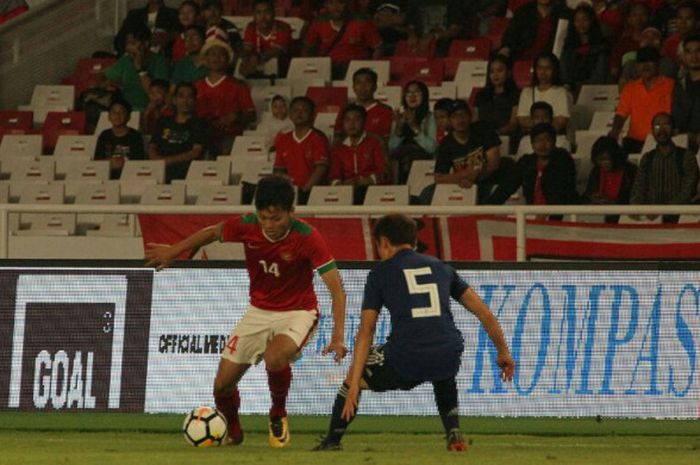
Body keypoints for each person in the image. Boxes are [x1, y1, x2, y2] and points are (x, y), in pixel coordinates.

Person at [144, 174, 348, 448]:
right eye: (264, 217)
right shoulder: (246, 226)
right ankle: (235, 432)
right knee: (221, 386)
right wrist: (173, 252)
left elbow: (337, 289)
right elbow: (211, 233)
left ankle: (277, 413)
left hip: (299, 311)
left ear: (291, 212)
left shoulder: (307, 237)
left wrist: (338, 336)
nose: (269, 225)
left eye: (276, 218)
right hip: (258, 311)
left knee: (275, 357)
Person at [312, 213, 515, 452]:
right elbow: (485, 314)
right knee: (441, 357)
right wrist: (503, 352)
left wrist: (354, 382)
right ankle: (453, 430)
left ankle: (332, 441)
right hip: (448, 354)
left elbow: (366, 330)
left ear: (384, 243)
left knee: (359, 369)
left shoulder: (379, 274)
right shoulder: (442, 267)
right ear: (413, 242)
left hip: (407, 358)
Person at [424, 99, 503, 205]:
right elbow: (438, 178)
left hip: (488, 181)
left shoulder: (484, 130)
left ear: (470, 117)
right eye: (454, 116)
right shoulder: (446, 143)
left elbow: (493, 164)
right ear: (450, 121)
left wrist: (473, 179)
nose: (460, 120)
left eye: (463, 115)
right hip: (461, 184)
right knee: (428, 192)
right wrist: (462, 177)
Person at [487, 123, 579, 209]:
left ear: (554, 142)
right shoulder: (527, 162)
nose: (542, 145)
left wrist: (548, 213)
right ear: (532, 144)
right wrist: (487, 208)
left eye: (547, 140)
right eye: (538, 140)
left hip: (560, 214)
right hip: (532, 213)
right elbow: (506, 187)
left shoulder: (563, 159)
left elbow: (563, 193)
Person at [194, 27, 256, 155]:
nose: (217, 58)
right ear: (205, 59)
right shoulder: (195, 86)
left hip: (230, 136)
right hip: (202, 136)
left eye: (221, 54)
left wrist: (235, 117)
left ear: (228, 59)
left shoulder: (239, 86)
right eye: (213, 54)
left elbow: (250, 114)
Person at [629, 112, 699, 223]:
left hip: (680, 218)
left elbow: (688, 191)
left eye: (666, 125)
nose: (661, 129)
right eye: (657, 126)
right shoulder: (647, 158)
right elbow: (638, 187)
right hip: (651, 219)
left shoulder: (686, 156)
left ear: (674, 130)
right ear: (652, 131)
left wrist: (663, 211)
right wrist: (635, 208)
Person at [609, 46, 675, 155]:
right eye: (641, 62)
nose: (645, 66)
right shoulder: (630, 88)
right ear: (636, 66)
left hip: (663, 139)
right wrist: (615, 130)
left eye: (650, 61)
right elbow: (621, 114)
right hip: (634, 141)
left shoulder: (671, 85)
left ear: (657, 63)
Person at [302, 0, 383, 79]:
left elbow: (377, 48)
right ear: (325, 5)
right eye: (331, 3)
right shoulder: (318, 23)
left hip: (355, 68)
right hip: (327, 67)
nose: (335, 7)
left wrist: (371, 69)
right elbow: (307, 48)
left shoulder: (362, 21)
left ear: (347, 4)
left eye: (340, 2)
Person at [273, 96, 330, 205]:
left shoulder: (318, 138)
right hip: (290, 193)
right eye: (295, 110)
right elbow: (278, 170)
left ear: (313, 114)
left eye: (304, 110)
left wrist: (304, 191)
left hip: (313, 193)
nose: (299, 113)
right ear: (290, 114)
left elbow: (321, 168)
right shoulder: (283, 139)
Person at [103, 23, 171, 112]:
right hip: (125, 112)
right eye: (127, 44)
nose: (128, 48)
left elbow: (156, 97)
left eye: (133, 43)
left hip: (150, 111)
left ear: (146, 43)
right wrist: (107, 83)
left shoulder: (159, 62)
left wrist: (140, 70)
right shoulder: (125, 61)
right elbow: (104, 75)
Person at [148, 82, 207, 182]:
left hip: (186, 170)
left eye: (189, 97)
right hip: (158, 168)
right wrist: (157, 161)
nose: (185, 101)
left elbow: (196, 151)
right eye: (181, 96)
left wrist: (168, 161)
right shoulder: (163, 121)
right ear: (174, 100)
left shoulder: (199, 124)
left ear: (194, 101)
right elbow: (152, 146)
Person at [329, 104, 387, 204]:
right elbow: (334, 176)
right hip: (345, 192)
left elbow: (384, 173)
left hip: (372, 190)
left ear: (364, 122)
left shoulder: (375, 143)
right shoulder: (339, 149)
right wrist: (340, 184)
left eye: (357, 119)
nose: (352, 124)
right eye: (348, 120)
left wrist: (360, 182)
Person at [389, 80, 437, 184]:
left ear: (424, 95)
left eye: (417, 93)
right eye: (408, 93)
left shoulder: (431, 117)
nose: (412, 96)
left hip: (422, 160)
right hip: (401, 160)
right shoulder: (399, 117)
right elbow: (391, 149)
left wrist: (414, 127)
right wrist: (398, 128)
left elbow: (431, 148)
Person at [582, 135, 637, 223]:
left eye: (606, 159)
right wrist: (593, 198)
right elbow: (587, 194)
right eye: (600, 160)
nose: (604, 163)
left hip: (623, 217)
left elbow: (634, 198)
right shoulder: (596, 171)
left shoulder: (630, 171)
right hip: (599, 216)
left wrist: (613, 203)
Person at [333, 68, 394, 143]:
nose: (363, 86)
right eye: (358, 83)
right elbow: (338, 137)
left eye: (367, 82)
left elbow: (386, 140)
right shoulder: (345, 109)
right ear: (353, 87)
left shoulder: (385, 111)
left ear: (375, 86)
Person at [517, 52, 572, 135]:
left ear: (554, 70)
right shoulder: (526, 92)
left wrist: (542, 129)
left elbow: (561, 120)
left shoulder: (561, 92)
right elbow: (522, 119)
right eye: (540, 68)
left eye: (548, 68)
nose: (543, 72)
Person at [497, 0, 570, 61]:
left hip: (550, 63)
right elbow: (511, 35)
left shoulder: (563, 14)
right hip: (522, 60)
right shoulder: (524, 12)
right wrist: (506, 48)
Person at [559, 3, 609, 93]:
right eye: (577, 20)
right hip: (570, 90)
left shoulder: (601, 46)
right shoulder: (569, 46)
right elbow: (564, 71)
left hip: (593, 91)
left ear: (591, 21)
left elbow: (600, 74)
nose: (581, 24)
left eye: (585, 20)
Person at [94, 99, 146, 179]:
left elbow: (139, 162)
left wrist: (123, 164)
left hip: (130, 177)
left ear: (128, 117)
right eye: (114, 112)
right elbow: (97, 161)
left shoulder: (135, 136)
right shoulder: (104, 135)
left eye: (121, 112)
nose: (117, 115)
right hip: (107, 176)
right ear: (109, 116)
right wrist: (111, 163)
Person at [240, 0, 293, 78]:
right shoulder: (251, 26)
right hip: (256, 65)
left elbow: (277, 51)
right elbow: (247, 50)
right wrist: (245, 60)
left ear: (274, 14)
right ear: (253, 15)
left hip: (281, 69)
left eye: (267, 12)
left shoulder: (283, 27)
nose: (263, 17)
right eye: (258, 12)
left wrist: (256, 60)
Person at [473, 54, 520, 139]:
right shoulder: (481, 95)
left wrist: (495, 133)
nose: (495, 74)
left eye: (500, 70)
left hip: (505, 137)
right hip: (481, 137)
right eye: (492, 71)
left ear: (508, 73)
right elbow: (475, 120)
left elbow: (513, 124)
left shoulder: (515, 94)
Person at [114, 0, 179, 56]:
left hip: (163, 60)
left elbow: (182, 37)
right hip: (134, 57)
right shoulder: (134, 15)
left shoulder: (173, 14)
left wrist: (169, 37)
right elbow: (119, 41)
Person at [672, 34, 700, 153]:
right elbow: (677, 114)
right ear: (683, 56)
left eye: (698, 51)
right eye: (689, 52)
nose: (694, 56)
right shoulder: (680, 84)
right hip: (685, 140)